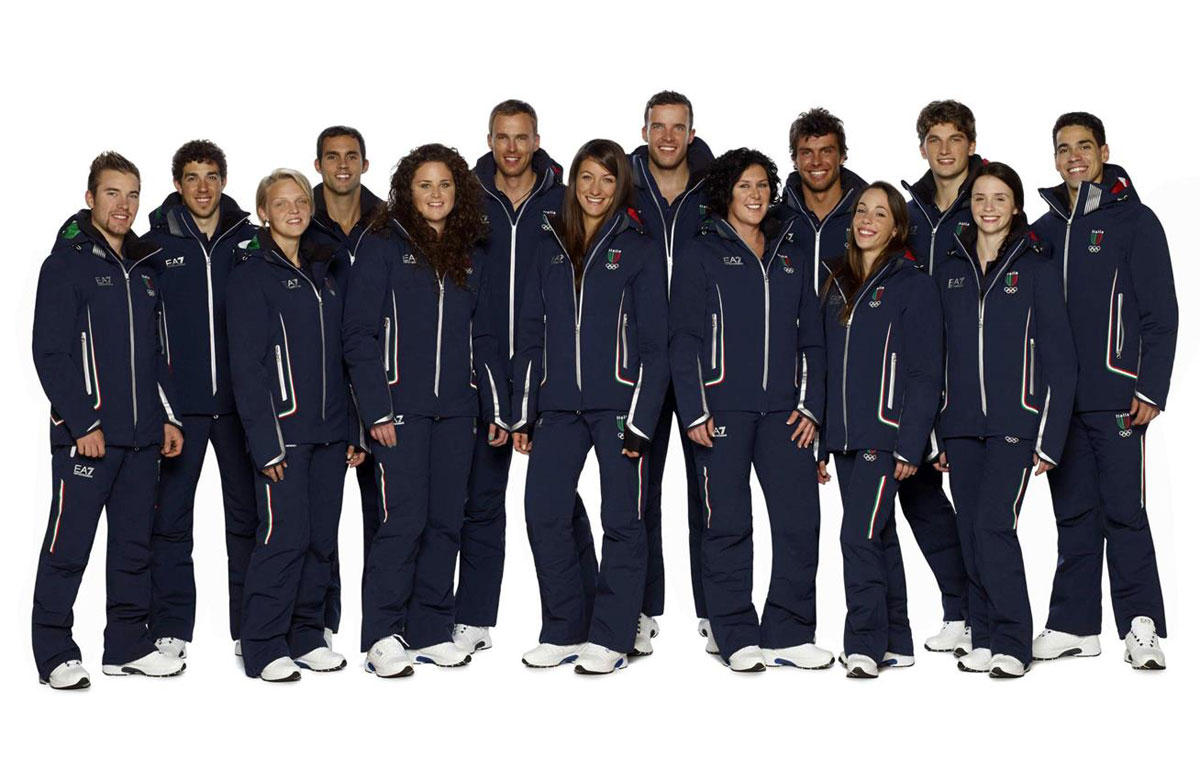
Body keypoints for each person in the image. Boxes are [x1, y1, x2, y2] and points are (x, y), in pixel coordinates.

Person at [346, 144, 509, 677]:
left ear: (458, 189)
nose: (436, 194)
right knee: (402, 522)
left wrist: (495, 408)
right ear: (407, 191)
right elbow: (360, 336)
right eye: (424, 185)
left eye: (445, 184)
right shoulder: (383, 243)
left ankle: (431, 630)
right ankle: (381, 635)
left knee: (445, 523)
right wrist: (376, 410)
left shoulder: (473, 250)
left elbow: (486, 337)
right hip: (401, 412)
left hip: (459, 412)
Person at [669, 148, 830, 672]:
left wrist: (810, 406)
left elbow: (812, 338)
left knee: (799, 523)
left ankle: (789, 631)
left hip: (785, 414)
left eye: (763, 185)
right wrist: (694, 409)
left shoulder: (790, 252)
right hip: (722, 413)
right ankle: (734, 633)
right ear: (726, 193)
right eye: (745, 186)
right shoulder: (700, 251)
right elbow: (685, 338)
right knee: (726, 526)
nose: (756, 195)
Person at [511, 139, 668, 674]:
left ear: (620, 185)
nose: (595, 189)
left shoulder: (638, 248)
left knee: (622, 519)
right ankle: (565, 628)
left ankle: (612, 635)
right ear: (572, 181)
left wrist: (642, 419)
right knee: (544, 511)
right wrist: (524, 410)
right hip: (557, 407)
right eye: (586, 177)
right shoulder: (549, 244)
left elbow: (656, 346)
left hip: (619, 406)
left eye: (607, 178)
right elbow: (530, 335)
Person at [32, 152, 186, 688]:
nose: (123, 205)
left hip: (143, 440)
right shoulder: (65, 264)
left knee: (133, 550)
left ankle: (126, 645)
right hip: (88, 440)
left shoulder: (145, 271)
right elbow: (51, 353)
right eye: (112, 193)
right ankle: (54, 653)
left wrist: (169, 419)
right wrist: (83, 424)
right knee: (68, 548)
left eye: (132, 194)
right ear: (90, 197)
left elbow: (156, 355)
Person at [1030, 113, 1177, 670]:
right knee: (1073, 515)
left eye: (1083, 146)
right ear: (1055, 158)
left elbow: (1160, 313)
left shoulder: (1136, 221)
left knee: (1125, 512)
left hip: (1118, 398)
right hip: (1060, 403)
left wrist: (1150, 388)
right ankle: (1074, 626)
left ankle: (1141, 626)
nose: (1074, 157)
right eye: (1063, 148)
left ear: (1103, 152)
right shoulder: (1042, 232)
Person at [454, 101, 596, 655]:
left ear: (537, 140)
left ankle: (588, 614)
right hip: (483, 370)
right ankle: (474, 620)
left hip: (552, 372)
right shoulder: (468, 197)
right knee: (482, 500)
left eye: (521, 137)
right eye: (502, 137)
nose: (511, 148)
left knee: (558, 502)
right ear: (489, 139)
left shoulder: (562, 199)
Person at [935, 162, 1076, 677]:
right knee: (970, 530)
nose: (988, 207)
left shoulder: (1036, 268)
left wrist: (1049, 436)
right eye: (979, 198)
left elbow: (1061, 361)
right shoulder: (949, 269)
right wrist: (937, 431)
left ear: (1016, 206)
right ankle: (984, 634)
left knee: (994, 525)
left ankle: (1013, 642)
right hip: (959, 426)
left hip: (1016, 423)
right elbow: (935, 355)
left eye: (999, 198)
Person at [226, 169, 363, 682]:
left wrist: (352, 428)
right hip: (283, 436)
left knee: (320, 540)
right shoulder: (250, 275)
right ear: (264, 212)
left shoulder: (327, 269)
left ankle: (307, 635)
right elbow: (248, 368)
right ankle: (263, 645)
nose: (293, 210)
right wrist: (266, 443)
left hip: (330, 433)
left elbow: (346, 356)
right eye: (281, 203)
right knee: (282, 538)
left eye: (301, 200)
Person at [818, 182, 942, 679]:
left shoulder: (913, 284)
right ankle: (896, 640)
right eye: (861, 211)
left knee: (858, 536)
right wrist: (823, 441)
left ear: (896, 228)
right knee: (879, 535)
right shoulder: (837, 281)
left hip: (884, 436)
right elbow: (826, 365)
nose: (867, 220)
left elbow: (924, 374)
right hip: (845, 439)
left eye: (880, 214)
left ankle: (864, 645)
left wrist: (910, 444)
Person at [144, 140, 259, 661]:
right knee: (170, 522)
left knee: (250, 520)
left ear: (224, 181)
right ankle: (170, 628)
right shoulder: (153, 245)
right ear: (177, 184)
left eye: (211, 175)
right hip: (180, 410)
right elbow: (144, 333)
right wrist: (164, 408)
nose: (203, 187)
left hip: (241, 407)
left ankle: (251, 627)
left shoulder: (249, 241)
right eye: (192, 177)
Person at [629, 90, 714, 653]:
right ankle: (639, 609)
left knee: (711, 495)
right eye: (657, 126)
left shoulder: (716, 187)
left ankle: (715, 610)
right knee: (638, 493)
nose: (667, 137)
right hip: (639, 364)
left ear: (691, 133)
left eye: (677, 127)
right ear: (644, 131)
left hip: (704, 363)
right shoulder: (622, 184)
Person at [894, 100, 981, 655]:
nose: (944, 149)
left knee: (977, 508)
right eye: (934, 139)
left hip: (974, 375)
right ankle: (960, 609)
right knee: (919, 494)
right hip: (913, 375)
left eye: (954, 138)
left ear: (971, 144)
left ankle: (988, 614)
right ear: (922, 146)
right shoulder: (911, 212)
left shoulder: (991, 199)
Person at [304, 125, 380, 647]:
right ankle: (319, 623)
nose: (343, 165)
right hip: (321, 386)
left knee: (387, 517)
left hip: (379, 384)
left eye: (351, 156)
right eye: (332, 157)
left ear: (365, 164)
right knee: (319, 520)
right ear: (318, 165)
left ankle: (384, 627)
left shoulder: (389, 220)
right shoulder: (297, 216)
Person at [778, 108, 867, 293]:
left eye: (826, 151)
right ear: (794, 159)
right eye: (806, 153)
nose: (816, 161)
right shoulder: (775, 221)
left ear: (842, 156)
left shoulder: (868, 218)